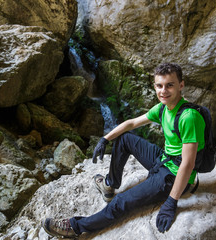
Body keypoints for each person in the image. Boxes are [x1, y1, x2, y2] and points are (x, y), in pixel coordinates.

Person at [41, 63, 205, 238]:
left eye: (169, 85)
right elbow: (132, 123)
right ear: (154, 86)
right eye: (159, 85)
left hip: (173, 176)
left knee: (121, 202)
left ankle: (76, 227)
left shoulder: (189, 117)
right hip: (164, 159)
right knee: (125, 138)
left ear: (181, 85)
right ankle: (109, 184)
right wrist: (106, 139)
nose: (163, 91)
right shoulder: (164, 108)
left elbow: (188, 163)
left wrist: (172, 201)